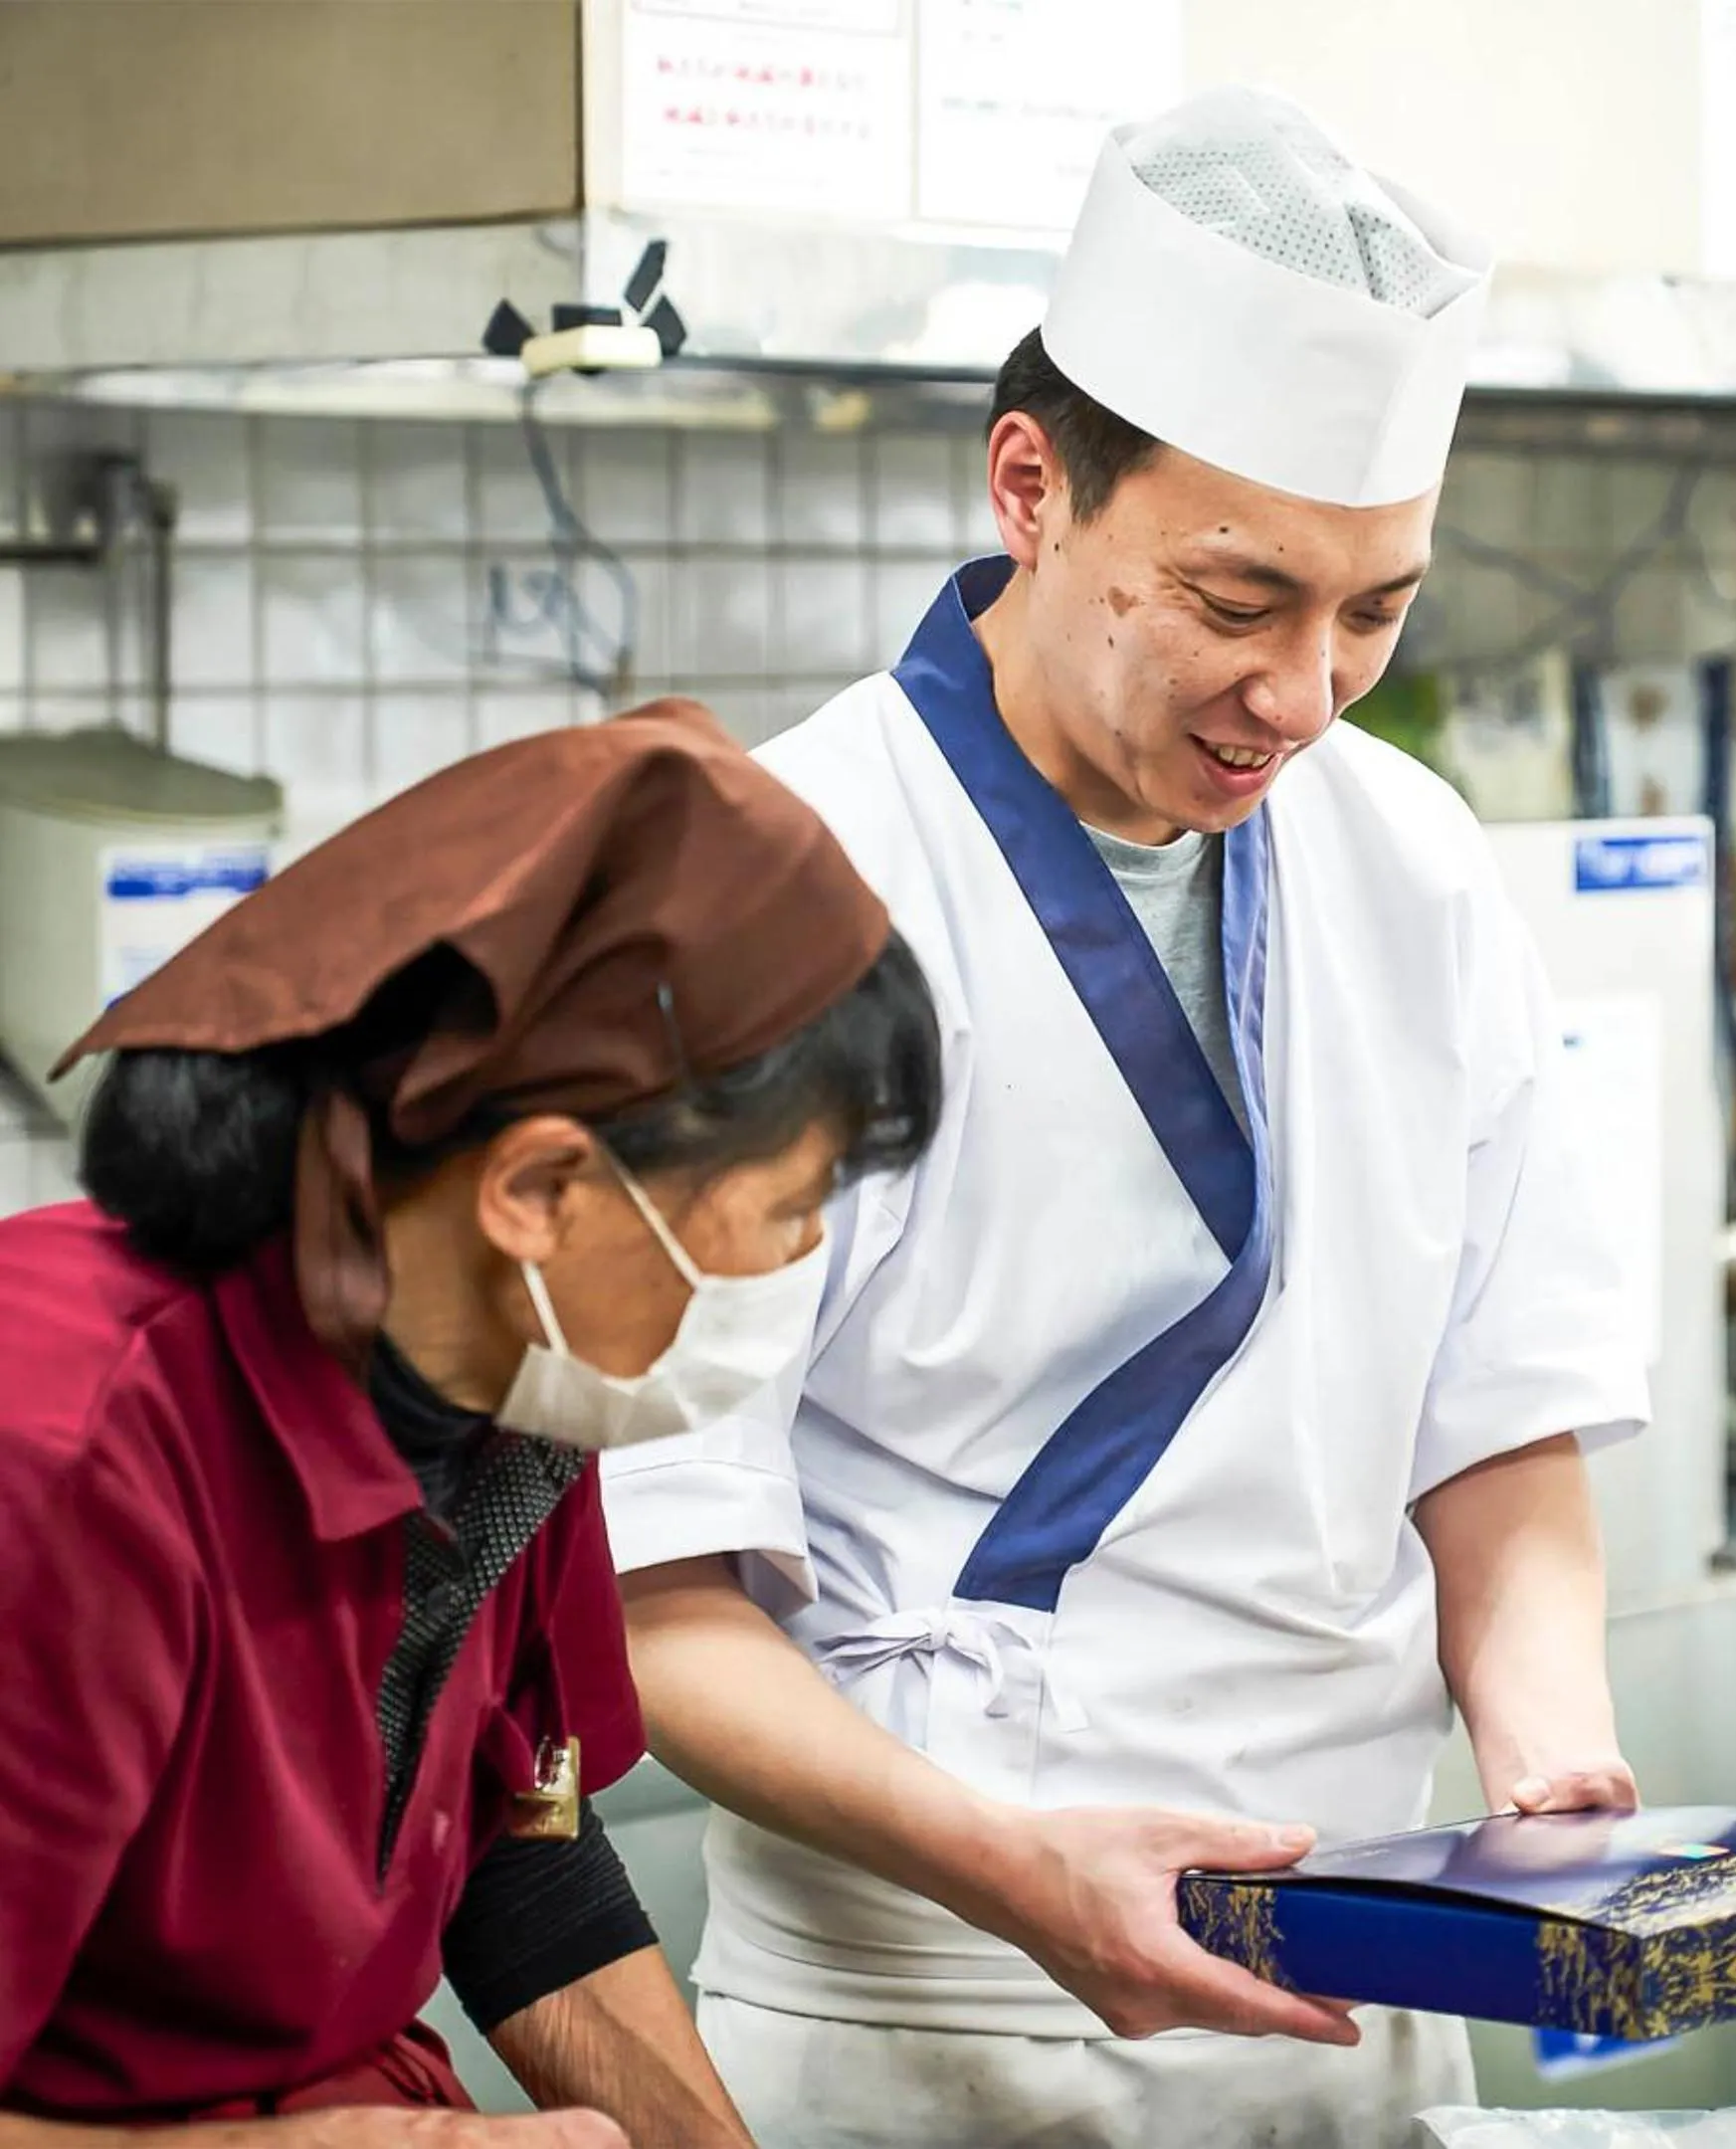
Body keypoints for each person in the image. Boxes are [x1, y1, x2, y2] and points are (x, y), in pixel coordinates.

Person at [601, 87, 1649, 2149]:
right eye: (1240, 601)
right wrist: (1011, 1871)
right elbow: (652, 1603)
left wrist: (1549, 1781)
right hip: (933, 2016)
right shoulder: (777, 877)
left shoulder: (1417, 870)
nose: (1308, 695)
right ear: (1031, 487)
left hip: (1358, 1977)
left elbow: (1497, 1425)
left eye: (1380, 611)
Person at [0, 702, 943, 2145]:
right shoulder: (61, 1457)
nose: (795, 1269)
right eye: (784, 1214)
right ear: (541, 1193)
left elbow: (527, 1860)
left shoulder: (517, 1397)